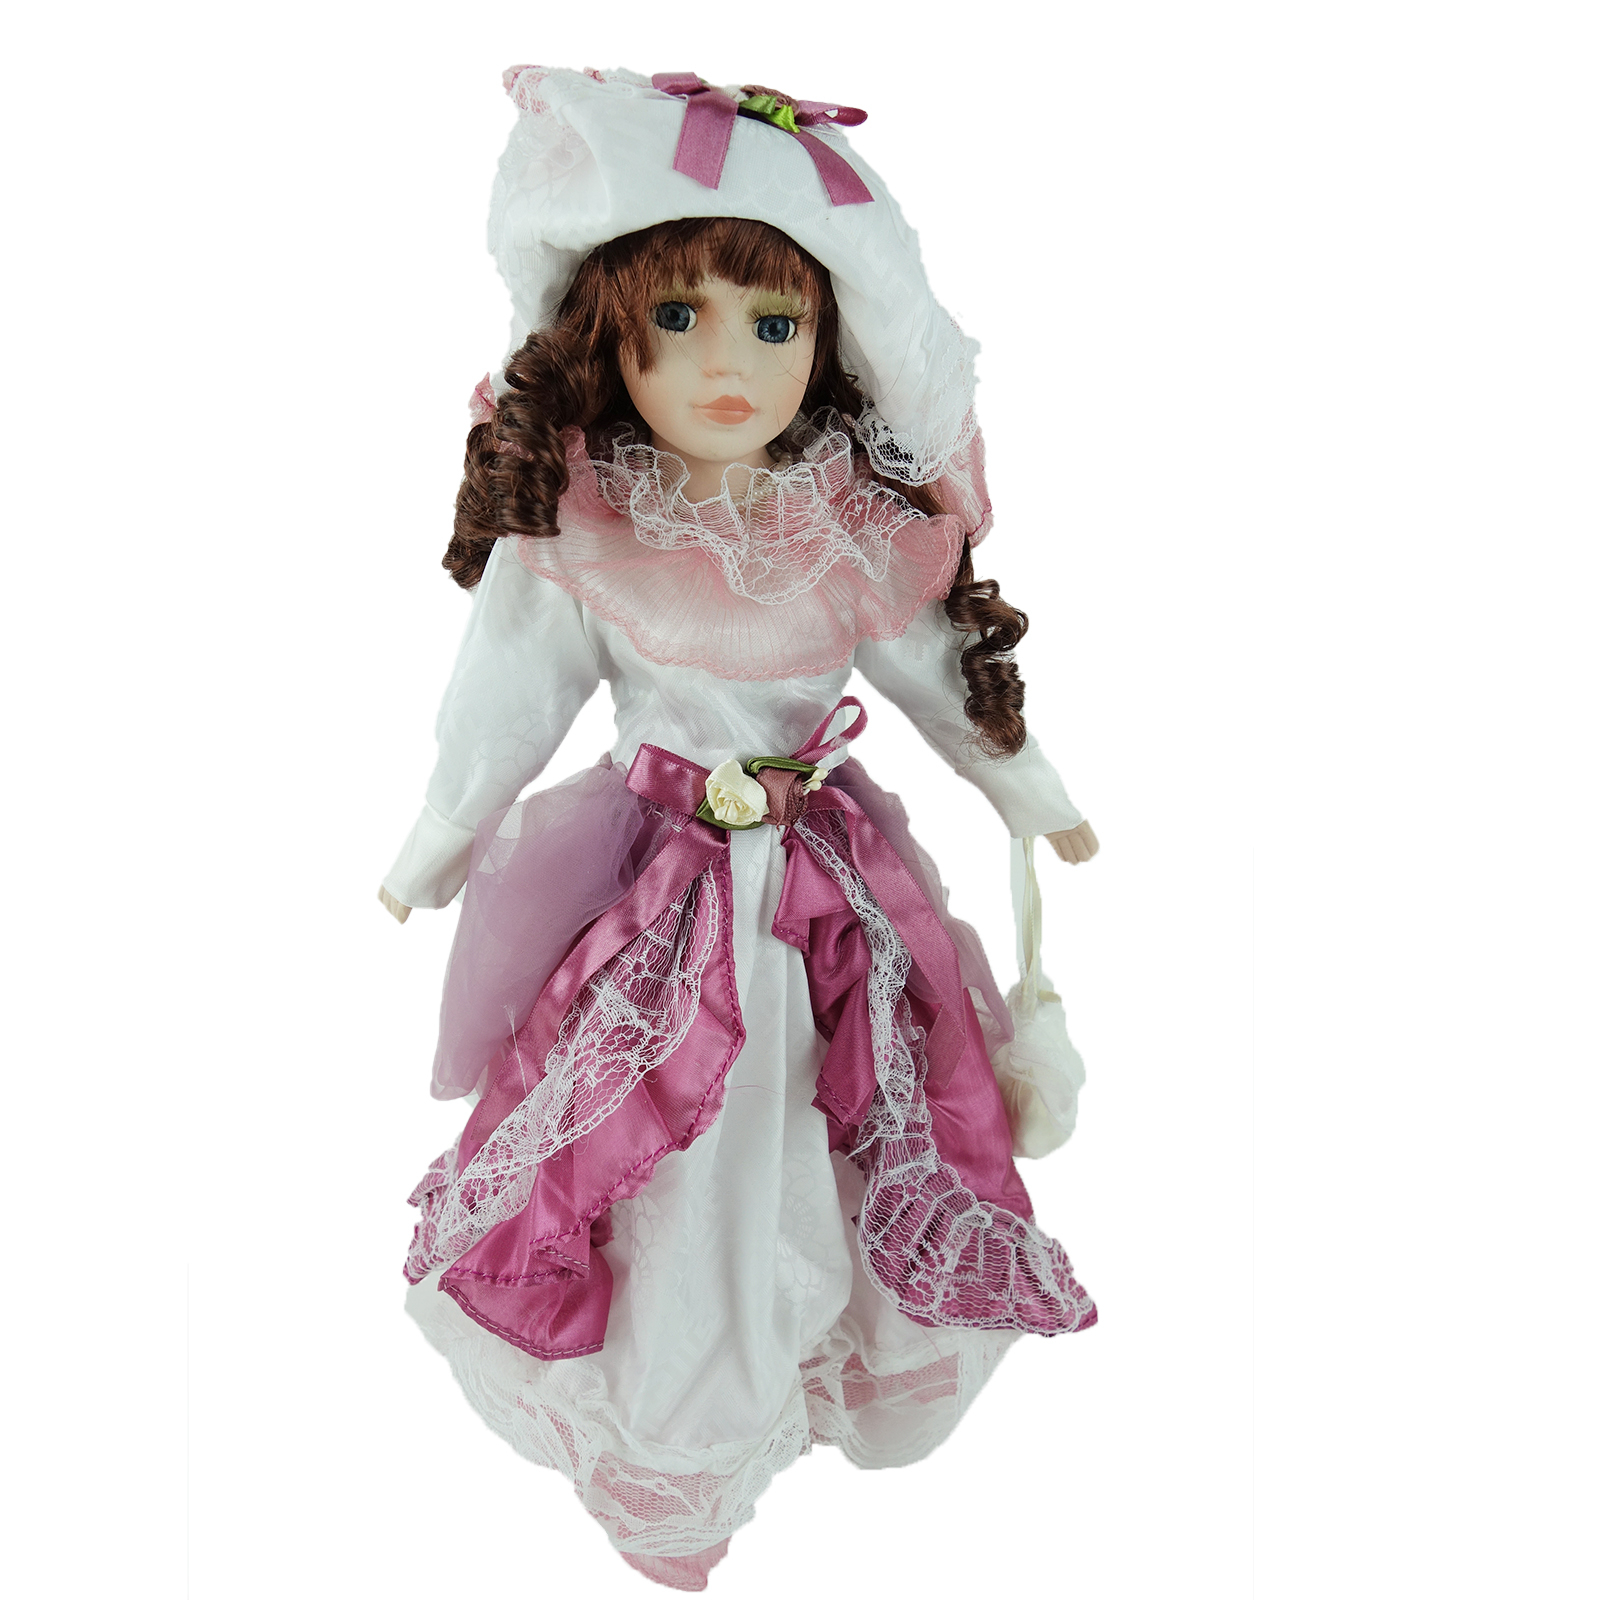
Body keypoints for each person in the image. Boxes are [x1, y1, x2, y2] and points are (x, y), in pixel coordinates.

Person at [380, 66, 1101, 1590]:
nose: (730, 363)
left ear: (829, 342)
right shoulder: (594, 521)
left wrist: (1032, 793)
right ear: (606, 333)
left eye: (775, 326)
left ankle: (814, 1346)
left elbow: (935, 675)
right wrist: (441, 837)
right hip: (658, 896)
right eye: (679, 318)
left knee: (840, 1100)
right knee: (669, 1127)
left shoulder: (847, 522)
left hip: (835, 888)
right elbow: (508, 689)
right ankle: (682, 1406)